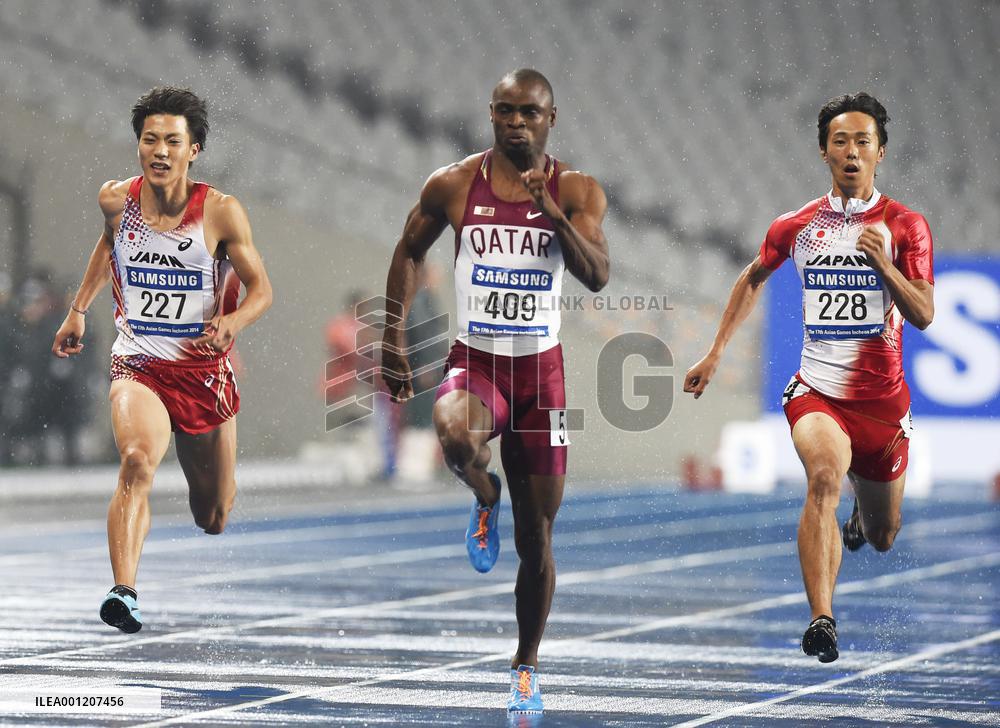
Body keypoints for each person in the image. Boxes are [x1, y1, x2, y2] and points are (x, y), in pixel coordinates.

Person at [380, 68, 609, 713]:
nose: (516, 122)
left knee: (537, 541)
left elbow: (597, 274)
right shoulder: (454, 184)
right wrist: (393, 335)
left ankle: (525, 665)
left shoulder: (578, 189)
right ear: (491, 113)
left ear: (550, 119)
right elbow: (409, 249)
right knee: (454, 437)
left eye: (529, 113)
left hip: (541, 378)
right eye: (505, 111)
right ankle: (486, 493)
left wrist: (553, 216)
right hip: (476, 360)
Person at [684, 92, 934, 663]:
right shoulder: (797, 225)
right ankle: (822, 617)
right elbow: (753, 276)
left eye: (863, 141)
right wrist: (716, 352)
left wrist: (884, 265)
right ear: (824, 152)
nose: (851, 152)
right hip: (817, 393)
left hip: (883, 408)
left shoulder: (905, 225)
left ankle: (862, 512)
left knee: (883, 535)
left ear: (880, 152)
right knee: (823, 476)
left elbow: (923, 313)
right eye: (840, 141)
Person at [51, 86, 273, 633]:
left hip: (202, 373)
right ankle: (124, 591)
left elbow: (262, 290)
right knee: (136, 461)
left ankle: (205, 502)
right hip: (139, 364)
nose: (159, 151)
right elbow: (109, 243)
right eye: (150, 139)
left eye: (172, 141)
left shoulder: (220, 212)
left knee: (213, 514)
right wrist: (78, 309)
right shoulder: (115, 199)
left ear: (193, 150)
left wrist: (233, 323)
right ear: (138, 145)